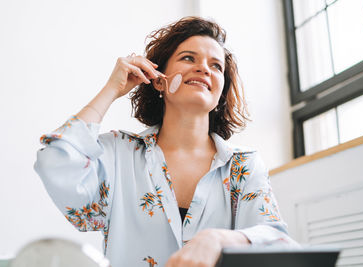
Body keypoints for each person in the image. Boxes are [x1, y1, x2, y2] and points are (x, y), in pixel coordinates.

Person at [34, 16, 298, 267]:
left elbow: (279, 243)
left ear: (219, 91)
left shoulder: (243, 165)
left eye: (215, 66)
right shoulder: (118, 154)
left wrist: (217, 239)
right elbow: (55, 163)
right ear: (159, 81)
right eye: (188, 58)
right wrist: (111, 89)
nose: (203, 68)